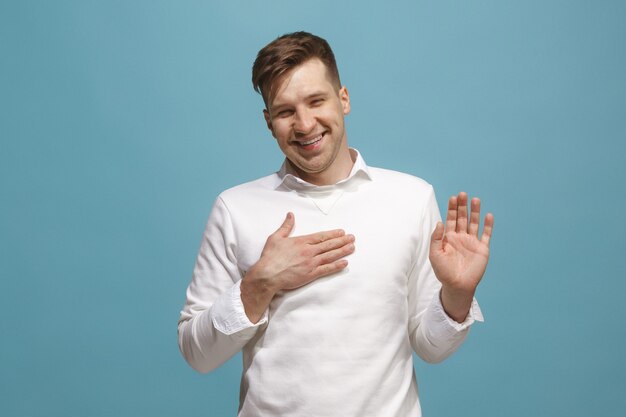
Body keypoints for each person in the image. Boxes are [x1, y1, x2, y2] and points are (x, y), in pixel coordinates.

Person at [178, 31, 494, 417]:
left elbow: (430, 347)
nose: (305, 124)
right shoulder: (235, 208)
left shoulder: (411, 198)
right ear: (268, 121)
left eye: (316, 101)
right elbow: (198, 355)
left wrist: (458, 295)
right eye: (285, 111)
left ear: (343, 99)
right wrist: (259, 284)